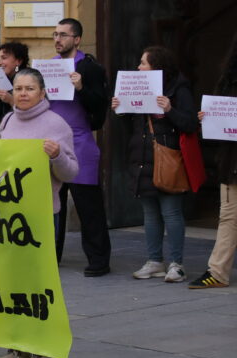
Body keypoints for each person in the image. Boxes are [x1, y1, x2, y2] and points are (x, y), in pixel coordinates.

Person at [0, 67, 78, 358]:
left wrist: (56, 155)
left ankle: (45, 352)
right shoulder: (7, 120)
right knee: (12, 284)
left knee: (40, 284)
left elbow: (71, 172)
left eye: (30, 88)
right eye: (18, 88)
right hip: (9, 217)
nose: (24, 94)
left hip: (41, 216)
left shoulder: (56, 124)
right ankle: (17, 347)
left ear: (43, 93)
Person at [111, 46, 198, 282]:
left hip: (168, 161)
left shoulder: (179, 88)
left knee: (171, 213)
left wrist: (169, 109)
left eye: (143, 63)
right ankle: (154, 261)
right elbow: (133, 126)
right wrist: (121, 109)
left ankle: (177, 264)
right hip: (142, 160)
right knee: (150, 215)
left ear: (157, 67)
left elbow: (190, 123)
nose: (138, 67)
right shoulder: (138, 88)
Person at [50, 18, 113, 276]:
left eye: (63, 35)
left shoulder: (90, 68)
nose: (57, 39)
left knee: (88, 205)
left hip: (79, 142)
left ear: (76, 39)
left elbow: (99, 107)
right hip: (52, 143)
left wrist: (81, 88)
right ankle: (52, 255)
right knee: (54, 204)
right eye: (55, 34)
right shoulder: (48, 67)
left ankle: (99, 259)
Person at [189, 37, 237, 288]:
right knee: (228, 217)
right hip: (232, 161)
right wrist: (208, 118)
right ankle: (217, 272)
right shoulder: (229, 81)